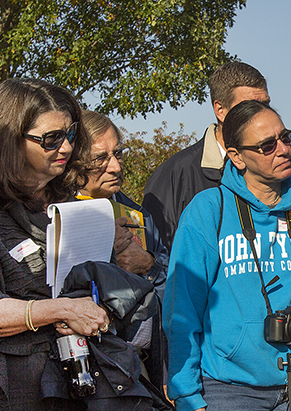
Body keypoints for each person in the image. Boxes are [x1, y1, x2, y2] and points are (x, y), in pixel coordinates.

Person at [163, 100, 291, 411]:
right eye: (267, 145)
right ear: (236, 157)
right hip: (230, 392)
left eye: (286, 137)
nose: (283, 150)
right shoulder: (209, 210)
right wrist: (186, 393)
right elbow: (182, 309)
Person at [0, 78, 111, 410]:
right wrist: (59, 309)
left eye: (71, 135)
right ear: (10, 141)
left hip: (75, 382)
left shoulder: (72, 203)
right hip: (4, 389)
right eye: (50, 139)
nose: (65, 148)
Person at [79, 109, 170, 385]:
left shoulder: (138, 216)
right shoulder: (57, 214)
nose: (116, 167)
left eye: (118, 154)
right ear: (75, 162)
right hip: (88, 365)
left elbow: (172, 279)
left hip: (141, 367)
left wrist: (148, 264)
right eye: (100, 159)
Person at [144, 61, 270, 248]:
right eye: (250, 106)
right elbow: (159, 259)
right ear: (220, 110)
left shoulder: (282, 168)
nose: (262, 114)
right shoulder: (175, 176)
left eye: (266, 104)